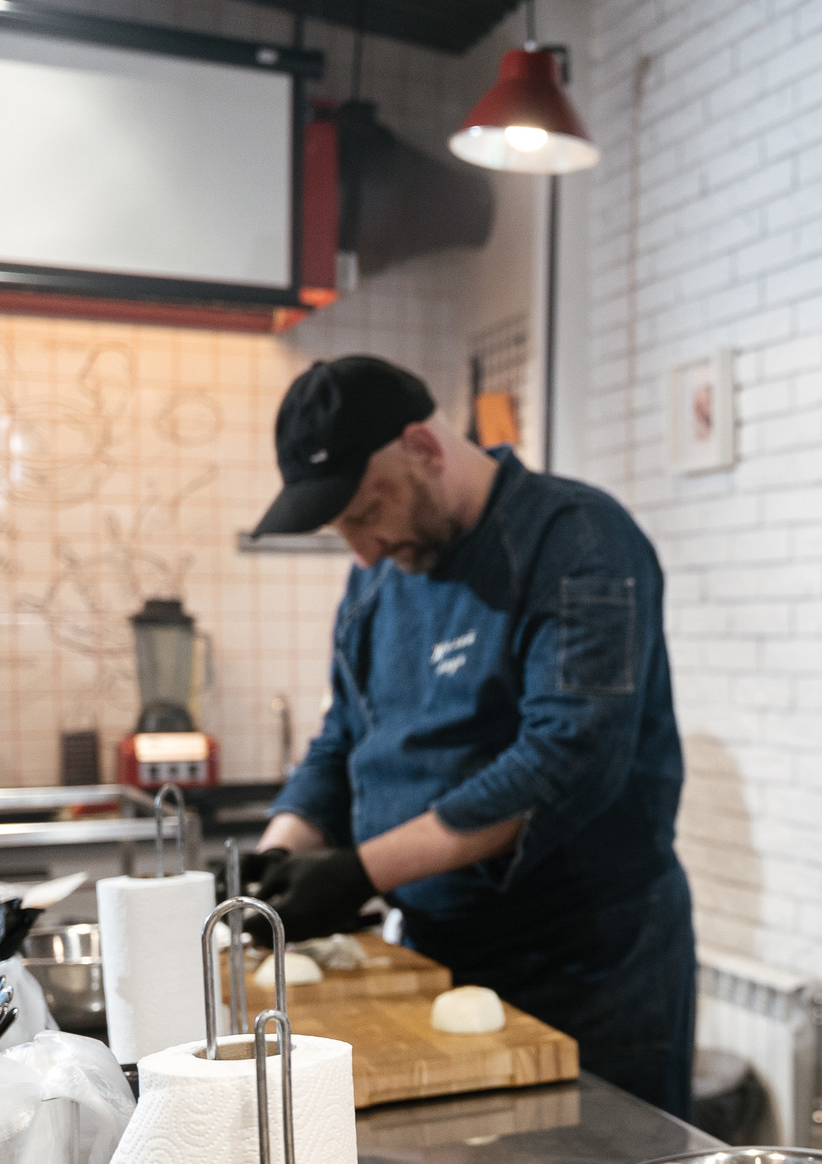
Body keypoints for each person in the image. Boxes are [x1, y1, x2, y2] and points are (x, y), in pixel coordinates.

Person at [249, 356, 695, 1118]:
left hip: (587, 967)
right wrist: (281, 853)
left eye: (365, 511)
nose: (360, 550)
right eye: (343, 529)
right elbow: (344, 737)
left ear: (423, 447)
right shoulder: (377, 578)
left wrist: (360, 871)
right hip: (437, 953)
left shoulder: (578, 540)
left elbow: (564, 759)